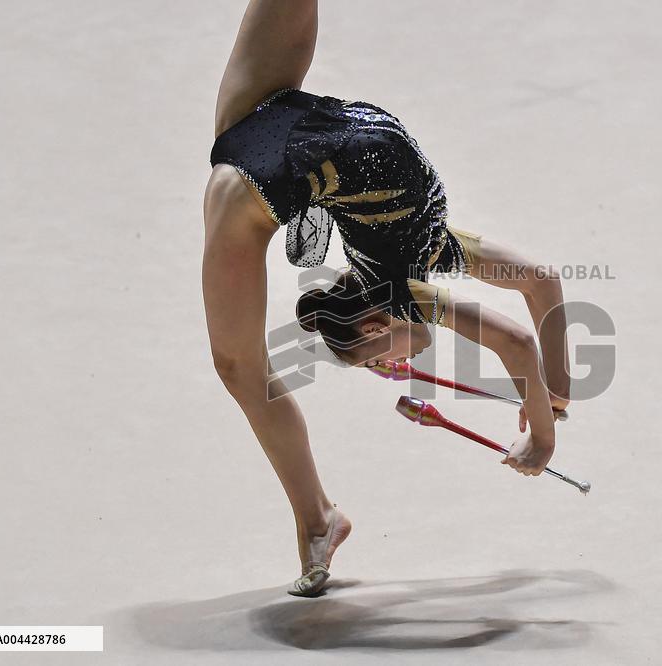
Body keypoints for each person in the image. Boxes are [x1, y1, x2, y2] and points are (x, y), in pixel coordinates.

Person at [203, 0, 571, 597]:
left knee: (241, 368)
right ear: (375, 324)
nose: (399, 367)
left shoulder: (414, 261)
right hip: (262, 129)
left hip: (261, 159)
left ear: (373, 324)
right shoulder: (415, 271)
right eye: (384, 364)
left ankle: (318, 519)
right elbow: (527, 317)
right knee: (238, 367)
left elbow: (535, 297)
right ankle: (317, 519)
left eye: (383, 362)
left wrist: (551, 398)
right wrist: (549, 415)